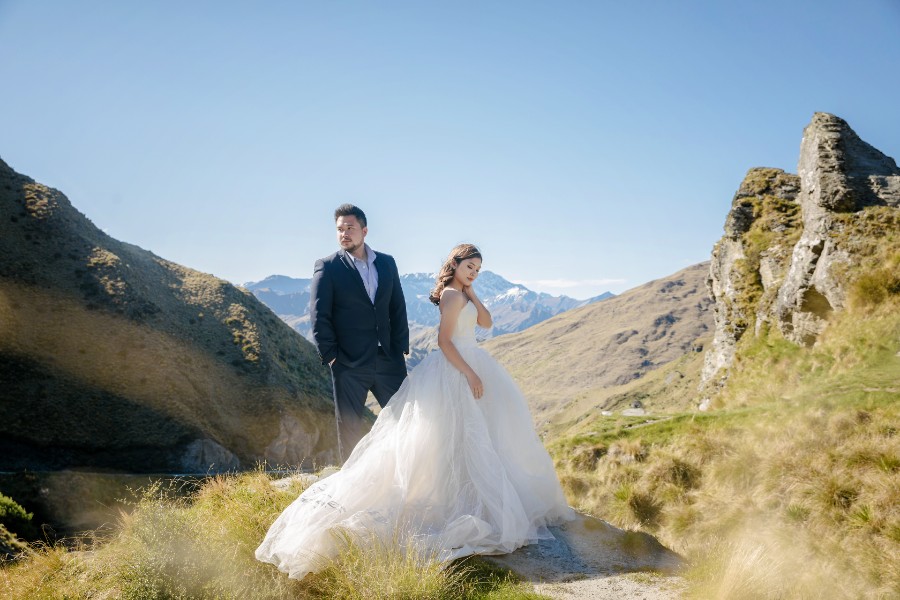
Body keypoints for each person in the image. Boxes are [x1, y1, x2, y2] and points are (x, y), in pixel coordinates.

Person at [256, 243, 575, 579]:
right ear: (455, 264)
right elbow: (444, 342)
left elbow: (487, 322)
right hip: (456, 368)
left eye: (478, 269)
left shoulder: (464, 293)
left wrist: (474, 291)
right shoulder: (451, 296)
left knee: (482, 435)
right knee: (458, 435)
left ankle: (474, 498)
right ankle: (454, 502)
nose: (474, 272)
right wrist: (468, 372)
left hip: (473, 360)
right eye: (470, 267)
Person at [309, 204, 410, 461]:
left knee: (404, 422)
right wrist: (332, 357)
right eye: (340, 229)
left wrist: (401, 348)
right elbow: (320, 315)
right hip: (348, 363)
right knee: (351, 430)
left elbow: (397, 306)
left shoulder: (387, 263)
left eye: (350, 228)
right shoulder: (328, 267)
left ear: (364, 231)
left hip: (389, 359)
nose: (344, 234)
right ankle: (352, 490)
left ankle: (402, 480)